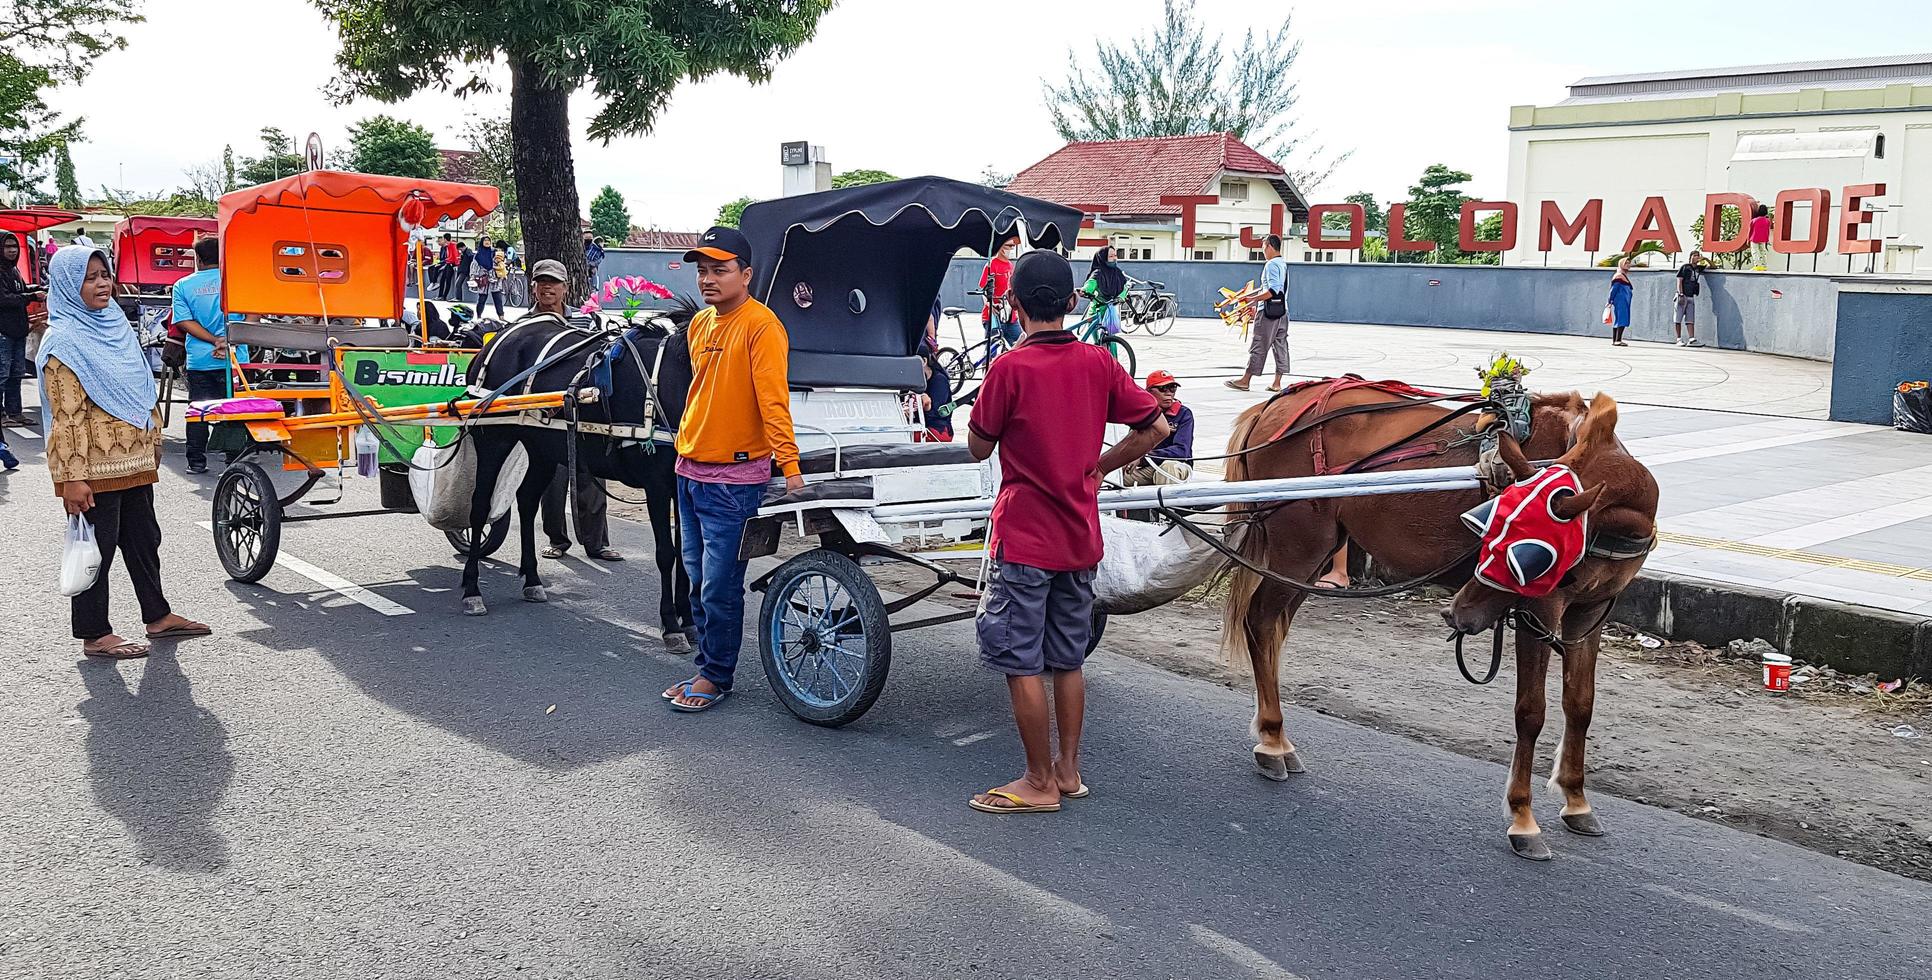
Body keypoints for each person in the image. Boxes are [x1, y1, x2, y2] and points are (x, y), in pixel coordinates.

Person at [964, 249, 1170, 814]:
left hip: (1025, 537)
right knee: (1067, 659)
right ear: (1075, 303)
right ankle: (1069, 771)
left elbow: (978, 445)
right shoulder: (1099, 363)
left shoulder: (1008, 369)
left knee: (1020, 659)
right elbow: (1156, 425)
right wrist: (1101, 466)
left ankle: (1037, 781)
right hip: (1080, 538)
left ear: (1012, 304)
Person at [38, 246, 209, 659]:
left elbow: (139, 387)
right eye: (90, 277)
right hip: (92, 468)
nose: (102, 284)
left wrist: (152, 442)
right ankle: (95, 633)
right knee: (98, 549)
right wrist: (70, 479)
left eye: (104, 274)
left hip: (133, 460)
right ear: (66, 284)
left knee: (144, 540)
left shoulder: (114, 324)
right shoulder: (64, 340)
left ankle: (158, 615)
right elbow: (67, 416)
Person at [660, 227, 803, 712]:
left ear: (746, 273)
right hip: (690, 470)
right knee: (697, 578)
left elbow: (772, 402)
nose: (708, 280)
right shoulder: (700, 326)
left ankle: (716, 677)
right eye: (702, 271)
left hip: (733, 482)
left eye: (719, 270)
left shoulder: (762, 326)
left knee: (719, 586)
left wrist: (791, 468)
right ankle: (707, 666)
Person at [521, 259, 622, 562]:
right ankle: (556, 539)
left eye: (553, 282)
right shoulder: (523, 326)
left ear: (566, 287)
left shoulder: (586, 323)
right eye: (541, 282)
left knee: (592, 478)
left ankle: (597, 543)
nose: (547, 287)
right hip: (542, 416)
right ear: (533, 287)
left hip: (582, 412)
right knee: (551, 483)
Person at [172, 237, 248, 474]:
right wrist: (228, 340)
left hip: (201, 360)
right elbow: (252, 315)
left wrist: (214, 341)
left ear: (198, 259)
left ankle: (196, 461)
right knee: (236, 409)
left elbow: (184, 321)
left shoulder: (182, 285)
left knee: (199, 411)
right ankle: (234, 460)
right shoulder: (237, 281)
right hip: (236, 359)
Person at [1226, 234, 1290, 392]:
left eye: (1263, 247)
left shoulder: (1271, 265)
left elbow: (1273, 291)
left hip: (1268, 314)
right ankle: (1277, 382)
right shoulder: (1282, 264)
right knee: (1280, 345)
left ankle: (1245, 380)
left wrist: (1252, 300)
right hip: (1282, 311)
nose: (1263, 251)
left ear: (1269, 246)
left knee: (1259, 344)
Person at [1, 235, 47, 427]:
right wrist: (31, 296)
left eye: (14, 246)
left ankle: (15, 412)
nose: (12, 250)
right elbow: (4, 298)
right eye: (7, 246)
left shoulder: (13, 269)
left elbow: (18, 290)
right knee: (2, 374)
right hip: (3, 330)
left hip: (18, 330)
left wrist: (36, 289)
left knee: (16, 373)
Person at [1122, 370, 1194, 487]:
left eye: (1172, 388)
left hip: (1176, 465)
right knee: (1116, 476)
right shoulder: (1142, 413)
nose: (1169, 393)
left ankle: (1167, 504)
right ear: (1149, 392)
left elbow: (1182, 451)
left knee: (1167, 468)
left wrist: (1144, 458)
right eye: (1163, 389)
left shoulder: (1184, 414)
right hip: (1149, 466)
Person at [978, 233, 1020, 357]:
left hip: (1010, 316)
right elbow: (983, 290)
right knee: (991, 351)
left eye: (1013, 246)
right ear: (1001, 248)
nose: (1012, 249)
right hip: (994, 315)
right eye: (1010, 246)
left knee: (1020, 345)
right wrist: (990, 304)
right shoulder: (991, 265)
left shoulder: (1010, 266)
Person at [1080, 246, 1128, 335]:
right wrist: (1084, 290)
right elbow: (1090, 284)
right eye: (1111, 256)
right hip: (1096, 308)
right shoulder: (1098, 273)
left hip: (1110, 309)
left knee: (1111, 338)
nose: (1114, 259)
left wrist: (1121, 296)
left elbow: (1124, 287)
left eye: (1115, 255)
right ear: (1103, 258)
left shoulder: (1117, 272)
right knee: (1095, 335)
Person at [1673, 250, 1707, 348]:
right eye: (1695, 255)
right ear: (1691, 257)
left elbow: (1713, 266)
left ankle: (1692, 339)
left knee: (1690, 319)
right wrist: (1681, 293)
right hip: (1682, 295)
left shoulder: (1698, 269)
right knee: (1678, 318)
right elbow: (1679, 280)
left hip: (1691, 296)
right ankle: (1678, 339)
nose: (1696, 257)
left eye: (1698, 256)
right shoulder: (1685, 267)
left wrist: (1705, 259)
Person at [471, 236, 503, 318]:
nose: (487, 242)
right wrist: (473, 276)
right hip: (483, 278)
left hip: (494, 277)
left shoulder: (494, 252)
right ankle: (479, 316)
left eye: (488, 240)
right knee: (482, 298)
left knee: (497, 297)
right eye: (485, 240)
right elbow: (474, 266)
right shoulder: (478, 254)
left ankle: (501, 315)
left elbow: (501, 262)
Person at [1608, 258, 1633, 347]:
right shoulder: (1619, 276)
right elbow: (1614, 289)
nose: (1629, 265)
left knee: (1619, 320)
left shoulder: (1623, 275)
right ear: (1621, 264)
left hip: (1624, 301)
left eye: (1629, 263)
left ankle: (1616, 340)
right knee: (1622, 319)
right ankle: (1618, 340)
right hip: (1621, 301)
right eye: (1626, 263)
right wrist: (1610, 300)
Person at [1748, 203, 1772, 271]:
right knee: (1763, 252)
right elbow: (1767, 231)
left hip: (1754, 238)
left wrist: (1748, 239)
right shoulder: (1767, 221)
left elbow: (1750, 231)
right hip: (1763, 238)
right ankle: (1764, 266)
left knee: (1755, 252)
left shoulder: (1754, 220)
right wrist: (1767, 239)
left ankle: (1757, 266)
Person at [437, 234, 460, 299]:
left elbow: (455, 256)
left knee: (448, 280)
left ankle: (444, 296)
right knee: (442, 279)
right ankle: (440, 295)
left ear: (445, 239)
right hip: (448, 264)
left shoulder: (452, 245)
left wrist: (456, 264)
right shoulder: (448, 246)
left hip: (451, 265)